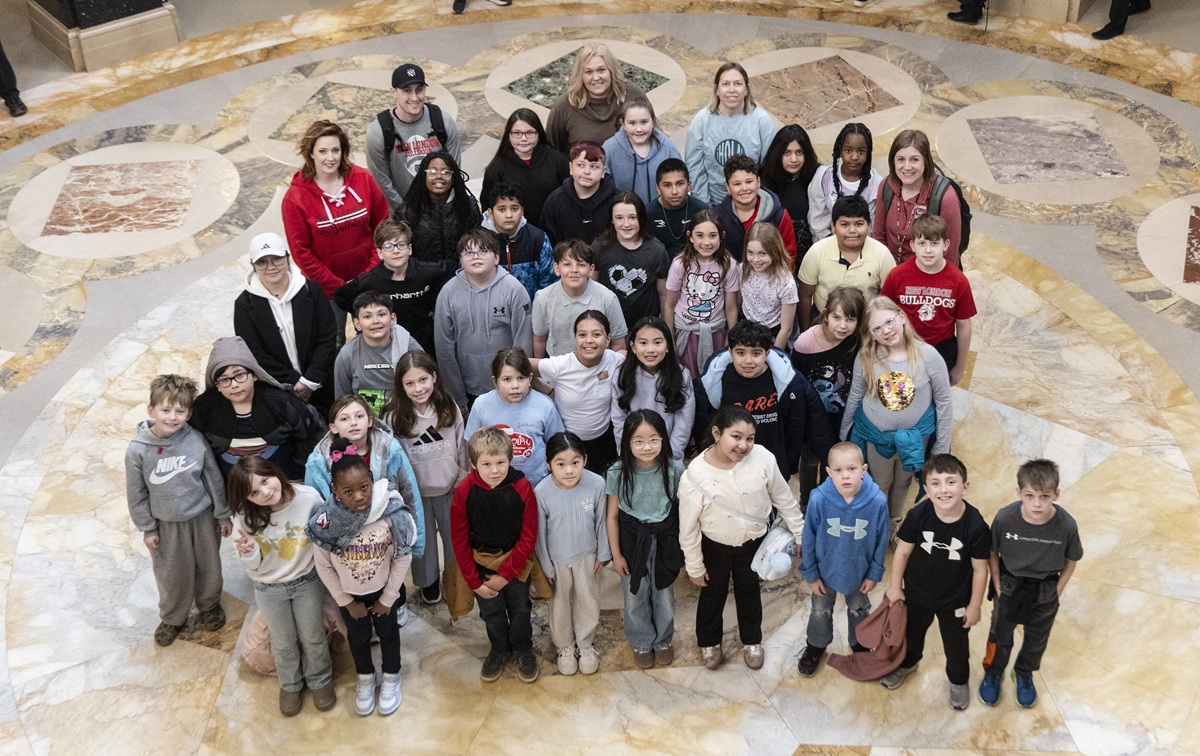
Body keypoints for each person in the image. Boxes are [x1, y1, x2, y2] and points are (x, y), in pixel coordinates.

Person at [679, 406, 805, 671]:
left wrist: (800, 533)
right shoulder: (695, 476)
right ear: (716, 433)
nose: (744, 445)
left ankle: (752, 640)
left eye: (750, 438)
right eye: (736, 437)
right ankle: (709, 641)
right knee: (713, 592)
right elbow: (688, 528)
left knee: (749, 590)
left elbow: (784, 498)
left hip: (753, 543)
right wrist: (694, 565)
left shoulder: (763, 458)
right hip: (715, 546)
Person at [307, 438, 417, 717]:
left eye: (364, 487)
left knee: (389, 634)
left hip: (384, 593)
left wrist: (390, 597)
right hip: (351, 598)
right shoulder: (326, 523)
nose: (358, 496)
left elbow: (403, 555)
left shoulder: (388, 511)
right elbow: (324, 565)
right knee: (358, 639)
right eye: (348, 491)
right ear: (334, 491)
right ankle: (366, 678)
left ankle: (392, 675)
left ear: (372, 480)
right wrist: (345, 601)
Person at [125, 374, 231, 647]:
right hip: (166, 524)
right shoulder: (138, 451)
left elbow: (212, 478)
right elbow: (136, 494)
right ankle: (173, 616)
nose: (172, 417)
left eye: (180, 411)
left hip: (202, 518)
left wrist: (221, 514)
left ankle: (209, 604)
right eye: (165, 410)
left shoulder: (194, 439)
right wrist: (148, 528)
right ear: (151, 410)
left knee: (209, 566)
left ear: (188, 412)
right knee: (172, 573)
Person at [880, 453, 989, 711]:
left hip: (955, 600)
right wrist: (895, 586)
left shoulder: (975, 526)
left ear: (965, 486)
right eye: (936, 483)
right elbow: (903, 551)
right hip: (917, 594)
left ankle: (958, 680)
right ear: (926, 489)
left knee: (956, 644)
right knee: (912, 634)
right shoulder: (918, 515)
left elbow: (980, 569)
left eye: (951, 482)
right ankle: (908, 663)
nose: (944, 490)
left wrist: (975, 605)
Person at [227, 456, 335, 716]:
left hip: (307, 581)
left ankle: (320, 679)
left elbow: (325, 532)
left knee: (313, 636)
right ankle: (290, 684)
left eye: (265, 481)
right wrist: (249, 551)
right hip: (268, 588)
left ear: (274, 472)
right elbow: (252, 568)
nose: (265, 492)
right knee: (282, 641)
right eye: (254, 491)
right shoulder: (243, 518)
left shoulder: (308, 497)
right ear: (246, 497)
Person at [305, 395, 425, 627]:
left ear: (370, 420)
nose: (353, 423)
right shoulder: (318, 461)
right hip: (347, 540)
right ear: (333, 427)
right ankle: (361, 618)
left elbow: (409, 494)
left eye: (359, 416)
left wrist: (414, 540)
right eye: (345, 418)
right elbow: (317, 505)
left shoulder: (391, 449)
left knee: (391, 571)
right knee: (357, 577)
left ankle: (395, 605)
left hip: (385, 535)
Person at [840, 296, 954, 530]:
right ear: (870, 334)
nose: (886, 331)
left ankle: (894, 521)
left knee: (903, 482)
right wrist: (844, 435)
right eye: (877, 328)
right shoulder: (866, 357)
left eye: (889, 322)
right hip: (875, 437)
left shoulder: (928, 355)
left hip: (915, 438)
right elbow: (855, 395)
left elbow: (943, 402)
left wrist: (942, 447)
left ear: (901, 317)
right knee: (878, 482)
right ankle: (878, 524)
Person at [979, 459, 1083, 709]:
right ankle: (994, 671)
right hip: (1010, 583)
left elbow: (1072, 559)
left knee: (1037, 637)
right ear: (1019, 493)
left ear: (1056, 495)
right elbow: (992, 550)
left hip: (1046, 587)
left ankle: (1024, 672)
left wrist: (1058, 589)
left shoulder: (1066, 526)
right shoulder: (1005, 518)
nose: (1037, 503)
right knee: (1000, 632)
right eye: (1030, 495)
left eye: (1044, 496)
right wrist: (996, 579)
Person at [281, 120, 388, 345]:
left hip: (368, 281)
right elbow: (301, 253)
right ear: (310, 154)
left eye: (335, 150)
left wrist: (367, 276)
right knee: (333, 342)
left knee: (375, 337)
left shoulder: (363, 179)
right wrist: (337, 286)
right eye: (322, 151)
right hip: (327, 290)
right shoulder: (295, 198)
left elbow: (382, 226)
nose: (330, 157)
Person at [450, 426, 541, 683]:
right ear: (473, 464)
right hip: (481, 567)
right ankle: (499, 648)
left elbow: (528, 536)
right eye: (486, 463)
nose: (495, 470)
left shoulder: (522, 487)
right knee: (491, 612)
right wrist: (474, 581)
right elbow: (459, 539)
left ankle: (523, 647)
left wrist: (507, 574)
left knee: (520, 609)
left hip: (516, 564)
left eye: (501, 462)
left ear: (510, 460)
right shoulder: (464, 492)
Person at [382, 351, 470, 606]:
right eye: (409, 383)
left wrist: (461, 479)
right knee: (422, 541)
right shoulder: (392, 416)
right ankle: (428, 583)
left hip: (449, 488)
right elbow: (392, 459)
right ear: (400, 385)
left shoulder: (448, 406)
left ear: (434, 377)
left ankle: (455, 581)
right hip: (415, 494)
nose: (418, 388)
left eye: (423, 380)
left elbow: (461, 445)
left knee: (455, 539)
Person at [695, 319, 833, 480]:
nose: (748, 361)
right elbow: (702, 425)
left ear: (767, 353)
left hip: (774, 463)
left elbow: (813, 420)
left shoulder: (788, 381)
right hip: (731, 466)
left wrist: (796, 462)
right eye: (740, 352)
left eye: (756, 353)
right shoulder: (714, 383)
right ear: (730, 352)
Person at [797, 442, 889, 677]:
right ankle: (816, 645)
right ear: (828, 472)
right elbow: (808, 538)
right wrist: (811, 572)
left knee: (858, 608)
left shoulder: (877, 501)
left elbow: (882, 538)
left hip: (859, 571)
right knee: (820, 609)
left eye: (852, 468)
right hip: (825, 569)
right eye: (838, 470)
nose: (845, 475)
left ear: (864, 469)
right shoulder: (819, 499)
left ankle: (859, 643)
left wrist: (875, 572)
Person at [605, 410, 685, 668]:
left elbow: (682, 508)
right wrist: (616, 555)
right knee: (634, 594)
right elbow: (612, 517)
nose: (647, 446)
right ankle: (641, 639)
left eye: (653, 439)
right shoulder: (618, 471)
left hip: (664, 539)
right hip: (631, 540)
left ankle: (663, 639)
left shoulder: (674, 468)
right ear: (627, 442)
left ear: (663, 439)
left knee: (663, 592)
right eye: (638, 440)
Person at [190, 336, 325, 479]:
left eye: (239, 375)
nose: (234, 384)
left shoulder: (281, 402)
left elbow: (312, 434)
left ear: (254, 374)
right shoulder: (204, 409)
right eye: (224, 379)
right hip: (234, 490)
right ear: (217, 385)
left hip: (285, 483)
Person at [235, 232, 337, 417]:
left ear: (287, 258)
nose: (270, 267)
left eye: (276, 259)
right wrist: (293, 382)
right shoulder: (244, 305)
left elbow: (327, 338)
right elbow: (254, 352)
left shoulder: (311, 291)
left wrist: (310, 381)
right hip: (279, 392)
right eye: (262, 262)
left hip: (322, 383)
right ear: (253, 266)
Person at [534, 432, 611, 676]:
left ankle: (585, 644)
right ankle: (565, 645)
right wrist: (546, 566)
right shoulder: (542, 491)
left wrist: (603, 553)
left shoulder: (597, 484)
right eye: (561, 464)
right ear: (548, 465)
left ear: (585, 461)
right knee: (559, 602)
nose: (569, 470)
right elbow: (540, 533)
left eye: (575, 463)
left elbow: (602, 522)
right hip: (557, 560)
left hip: (587, 556)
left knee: (588, 598)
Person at [433, 229, 534, 409]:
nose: (475, 257)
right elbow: (444, 348)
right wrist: (457, 395)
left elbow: (523, 342)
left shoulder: (515, 290)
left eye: (483, 251)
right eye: (468, 252)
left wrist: (517, 384)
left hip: (508, 388)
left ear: (496, 257)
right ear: (461, 260)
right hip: (467, 388)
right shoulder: (447, 293)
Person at [333, 219, 452, 362]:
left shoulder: (426, 272)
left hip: (424, 345)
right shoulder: (368, 281)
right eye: (388, 246)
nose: (396, 250)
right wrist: (364, 323)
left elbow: (451, 268)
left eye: (401, 245)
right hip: (385, 347)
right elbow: (340, 297)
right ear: (380, 253)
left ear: (410, 249)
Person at [792, 286, 866, 507]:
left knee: (833, 460)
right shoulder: (805, 343)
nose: (843, 325)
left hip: (841, 418)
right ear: (824, 314)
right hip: (812, 418)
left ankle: (828, 499)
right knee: (809, 459)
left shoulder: (858, 342)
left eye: (850, 319)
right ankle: (806, 501)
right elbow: (796, 383)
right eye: (836, 317)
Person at [880, 214, 975, 385]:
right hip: (904, 345)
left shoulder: (958, 280)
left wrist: (960, 366)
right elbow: (882, 313)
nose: (928, 250)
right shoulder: (897, 275)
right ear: (912, 245)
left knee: (935, 397)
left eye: (934, 243)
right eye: (922, 243)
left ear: (945, 245)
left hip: (941, 349)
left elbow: (963, 326)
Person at [532, 310, 625, 474]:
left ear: (608, 339)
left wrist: (624, 352)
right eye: (582, 335)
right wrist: (547, 391)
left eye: (596, 334)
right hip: (568, 443)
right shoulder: (561, 365)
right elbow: (519, 364)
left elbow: (624, 354)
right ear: (575, 339)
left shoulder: (614, 360)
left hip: (603, 441)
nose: (589, 341)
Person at [366, 63, 462, 214]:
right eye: (407, 91)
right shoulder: (378, 132)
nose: (415, 97)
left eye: (419, 90)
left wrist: (443, 209)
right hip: (404, 216)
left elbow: (454, 170)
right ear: (393, 92)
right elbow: (383, 183)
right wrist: (408, 214)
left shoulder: (443, 121)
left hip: (442, 212)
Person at [464, 348, 565, 487]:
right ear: (495, 381)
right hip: (495, 485)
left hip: (536, 485)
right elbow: (471, 446)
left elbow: (557, 445)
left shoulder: (545, 405)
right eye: (507, 379)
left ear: (530, 379)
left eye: (521, 378)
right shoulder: (481, 405)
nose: (515, 386)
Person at [797, 195, 896, 331]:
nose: (852, 231)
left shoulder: (882, 254)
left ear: (869, 224)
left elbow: (889, 300)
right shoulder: (817, 252)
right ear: (833, 226)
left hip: (866, 324)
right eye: (844, 224)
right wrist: (805, 332)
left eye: (859, 224)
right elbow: (805, 296)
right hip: (824, 321)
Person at [685, 62, 776, 206]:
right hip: (714, 204)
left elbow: (770, 168)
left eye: (738, 84)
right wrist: (704, 207)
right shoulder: (702, 120)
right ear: (717, 89)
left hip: (752, 204)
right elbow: (695, 168)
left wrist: (759, 205)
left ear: (746, 89)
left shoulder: (761, 121)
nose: (732, 90)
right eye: (726, 84)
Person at [663, 209, 741, 377]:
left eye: (712, 236)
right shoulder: (680, 264)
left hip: (715, 332)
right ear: (690, 236)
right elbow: (669, 305)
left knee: (714, 377)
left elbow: (731, 307)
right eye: (700, 236)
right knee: (687, 379)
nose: (706, 242)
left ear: (722, 236)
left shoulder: (729, 264)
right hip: (686, 331)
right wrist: (670, 339)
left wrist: (731, 337)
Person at [872, 130, 963, 268]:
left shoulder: (945, 197)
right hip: (891, 272)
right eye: (901, 159)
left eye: (914, 159)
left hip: (928, 275)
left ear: (925, 162)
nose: (907, 167)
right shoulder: (886, 186)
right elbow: (879, 237)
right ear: (893, 161)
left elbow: (950, 254)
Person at [611, 316, 695, 459]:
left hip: (668, 450)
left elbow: (684, 421)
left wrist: (674, 455)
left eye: (657, 342)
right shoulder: (622, 374)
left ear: (668, 345)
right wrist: (625, 453)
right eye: (643, 343)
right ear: (633, 346)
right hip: (634, 450)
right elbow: (619, 419)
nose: (650, 350)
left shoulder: (681, 375)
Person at [333, 291, 424, 416]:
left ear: (392, 319)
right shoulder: (347, 355)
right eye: (367, 317)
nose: (375, 321)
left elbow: (425, 385)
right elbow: (342, 400)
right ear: (357, 324)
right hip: (366, 424)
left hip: (406, 417)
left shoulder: (409, 346)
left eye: (381, 314)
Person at [532, 239, 629, 357]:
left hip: (598, 369)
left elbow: (618, 343)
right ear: (556, 268)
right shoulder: (542, 298)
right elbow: (539, 339)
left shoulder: (608, 299)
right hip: (558, 369)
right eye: (567, 264)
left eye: (581, 265)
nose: (574, 270)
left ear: (591, 269)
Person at [591, 191, 671, 327]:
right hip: (609, 326)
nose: (626, 224)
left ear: (641, 218)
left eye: (632, 217)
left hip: (646, 327)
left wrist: (667, 331)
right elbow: (591, 288)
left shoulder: (657, 250)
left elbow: (664, 296)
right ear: (612, 219)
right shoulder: (599, 247)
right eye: (619, 218)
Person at [546, 43, 646, 153]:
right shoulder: (565, 104)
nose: (596, 78)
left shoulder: (632, 94)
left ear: (611, 71)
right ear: (581, 75)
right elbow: (551, 151)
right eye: (589, 72)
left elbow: (654, 134)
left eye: (601, 70)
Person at [482, 109, 569, 229]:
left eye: (530, 133)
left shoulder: (558, 161)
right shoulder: (497, 168)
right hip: (514, 235)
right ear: (509, 135)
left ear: (538, 134)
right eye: (517, 133)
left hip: (555, 230)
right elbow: (488, 207)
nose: (523, 138)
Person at [715, 154, 797, 265]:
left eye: (749, 182)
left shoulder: (779, 215)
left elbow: (789, 254)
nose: (744, 188)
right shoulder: (717, 217)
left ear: (758, 182)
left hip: (771, 279)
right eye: (737, 184)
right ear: (728, 188)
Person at [403, 150, 483, 265]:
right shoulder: (408, 210)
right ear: (423, 176)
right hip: (424, 277)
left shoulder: (468, 206)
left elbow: (478, 244)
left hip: (462, 275)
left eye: (446, 172)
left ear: (453, 177)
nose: (439, 176)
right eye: (432, 172)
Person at [480, 181, 556, 301]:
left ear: (522, 211)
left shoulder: (537, 238)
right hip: (489, 311)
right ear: (490, 213)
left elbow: (549, 281)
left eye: (514, 208)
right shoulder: (478, 242)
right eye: (502, 209)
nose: (509, 215)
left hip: (529, 310)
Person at [602, 97, 683, 207]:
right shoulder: (609, 149)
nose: (639, 129)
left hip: (660, 217)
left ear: (653, 122)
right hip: (624, 219)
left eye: (644, 122)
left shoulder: (668, 149)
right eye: (632, 123)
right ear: (623, 124)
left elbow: (680, 185)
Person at [808, 123, 881, 242]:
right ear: (840, 151)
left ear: (868, 153)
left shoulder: (876, 184)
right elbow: (817, 221)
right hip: (828, 245)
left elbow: (873, 227)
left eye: (861, 151)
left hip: (862, 247)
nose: (854, 157)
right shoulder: (823, 177)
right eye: (848, 150)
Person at [540, 141, 617, 247]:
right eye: (581, 165)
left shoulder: (617, 200)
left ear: (603, 171)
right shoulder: (555, 202)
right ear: (571, 168)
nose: (587, 172)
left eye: (594, 166)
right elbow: (548, 243)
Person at [761, 124, 820, 256]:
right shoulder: (764, 182)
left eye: (799, 152)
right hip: (775, 256)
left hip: (811, 255)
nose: (794, 159)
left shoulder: (818, 178)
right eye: (787, 153)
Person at [740, 223, 799, 349]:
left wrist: (774, 356)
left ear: (774, 251)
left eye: (762, 253)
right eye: (750, 252)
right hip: (746, 331)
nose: (755, 259)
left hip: (773, 335)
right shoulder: (742, 270)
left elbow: (786, 329)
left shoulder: (785, 282)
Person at [647, 158, 709, 257]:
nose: (674, 191)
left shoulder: (702, 211)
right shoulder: (647, 214)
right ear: (658, 188)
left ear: (689, 185)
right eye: (667, 185)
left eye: (680, 184)